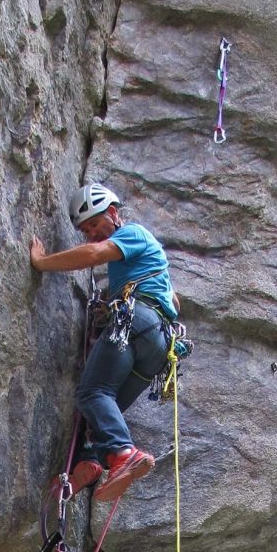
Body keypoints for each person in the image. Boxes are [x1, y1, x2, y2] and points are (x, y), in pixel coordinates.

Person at [30, 182, 180, 501]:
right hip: (157, 349)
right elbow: (175, 303)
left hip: (135, 323)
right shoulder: (151, 266)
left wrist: (43, 262)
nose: (92, 235)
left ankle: (124, 456)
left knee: (92, 392)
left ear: (113, 213)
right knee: (104, 407)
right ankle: (92, 462)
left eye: (95, 224)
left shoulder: (134, 233)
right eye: (86, 230)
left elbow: (94, 254)